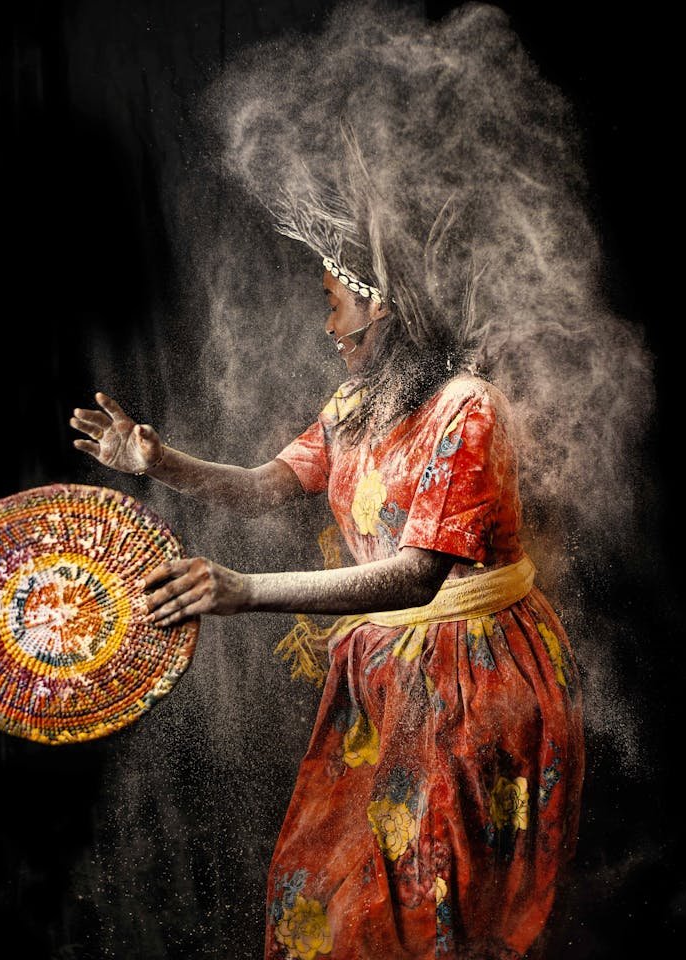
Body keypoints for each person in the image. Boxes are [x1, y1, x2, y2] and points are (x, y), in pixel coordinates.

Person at [70, 256, 584, 956]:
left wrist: (245, 589)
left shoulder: (467, 406)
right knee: (337, 893)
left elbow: (415, 577)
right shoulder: (352, 407)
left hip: (475, 682)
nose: (328, 325)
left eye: (337, 303)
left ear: (388, 308)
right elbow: (264, 487)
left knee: (439, 902)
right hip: (386, 680)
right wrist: (160, 463)